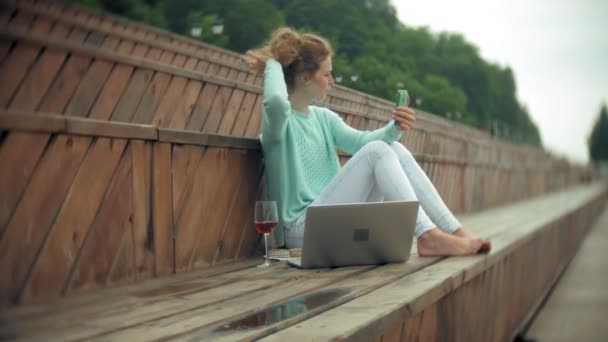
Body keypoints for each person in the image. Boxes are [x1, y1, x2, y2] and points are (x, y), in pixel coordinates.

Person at [245, 27, 491, 256]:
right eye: (327, 74)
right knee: (376, 152)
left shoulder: (324, 118)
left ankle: (452, 230)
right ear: (305, 78)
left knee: (393, 147)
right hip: (301, 231)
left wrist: (394, 128)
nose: (332, 81)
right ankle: (427, 235)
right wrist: (274, 62)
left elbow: (361, 142)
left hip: (336, 221)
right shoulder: (278, 125)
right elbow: (276, 102)